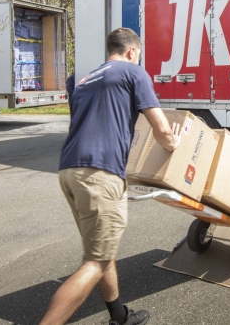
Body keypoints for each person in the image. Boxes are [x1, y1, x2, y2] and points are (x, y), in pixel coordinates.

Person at [40, 28, 179, 325]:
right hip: (100, 174)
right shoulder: (132, 72)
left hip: (69, 170)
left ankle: (119, 316)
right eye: (138, 55)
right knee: (95, 261)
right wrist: (175, 144)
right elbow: (162, 128)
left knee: (101, 249)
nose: (137, 59)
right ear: (131, 52)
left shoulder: (86, 79)